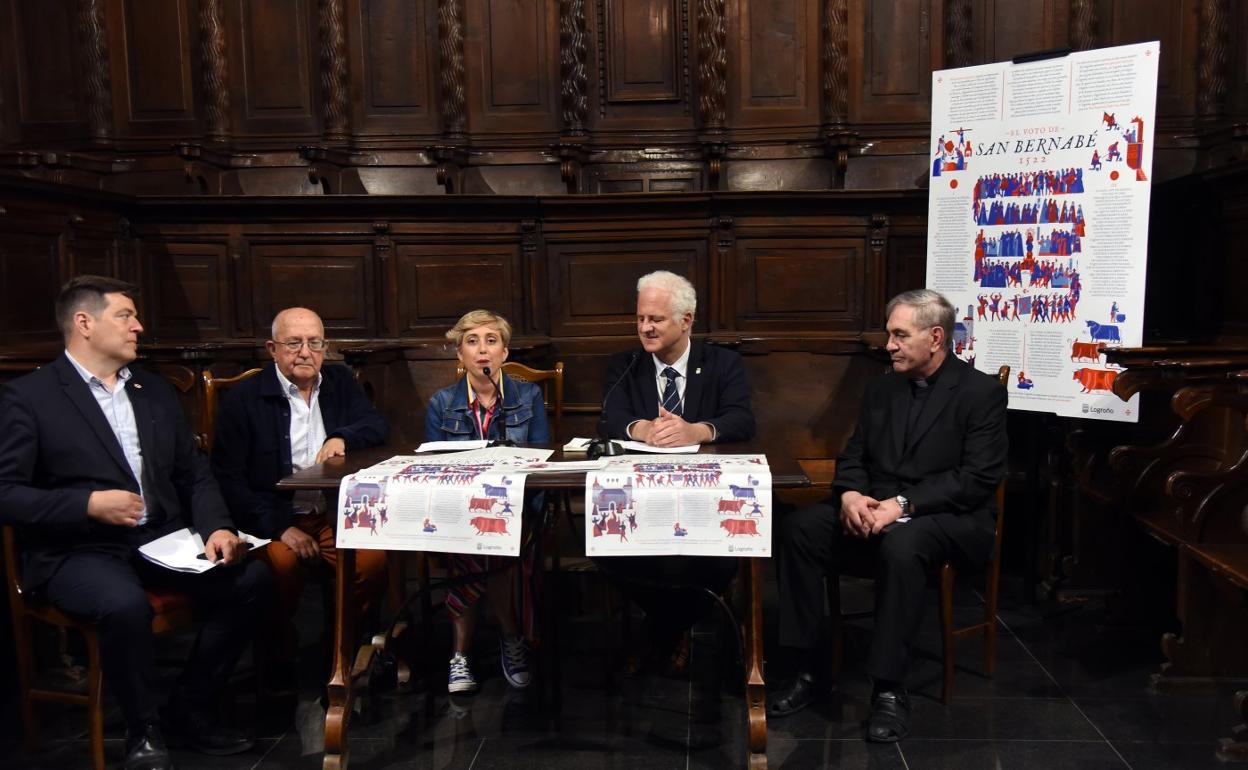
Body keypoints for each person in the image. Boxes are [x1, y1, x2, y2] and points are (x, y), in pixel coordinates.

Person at [0, 276, 271, 770]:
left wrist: (216, 527)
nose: (138, 326)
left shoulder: (153, 390)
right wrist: (86, 505)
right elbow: (6, 494)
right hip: (78, 549)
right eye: (125, 315)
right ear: (84, 323)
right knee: (124, 605)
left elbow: (194, 473)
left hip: (159, 541)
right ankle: (143, 732)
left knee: (250, 576)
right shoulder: (30, 396)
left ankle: (188, 708)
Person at [768, 289, 1007, 743]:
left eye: (900, 335)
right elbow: (854, 453)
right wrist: (852, 495)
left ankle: (889, 688)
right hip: (876, 507)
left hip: (950, 518)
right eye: (889, 334)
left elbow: (975, 479)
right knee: (799, 529)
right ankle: (806, 669)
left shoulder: (981, 394)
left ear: (936, 337)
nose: (889, 344)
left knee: (903, 544)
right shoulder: (882, 388)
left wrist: (904, 505)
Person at [210, 307, 390, 680]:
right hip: (273, 518)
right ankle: (282, 659)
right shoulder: (244, 399)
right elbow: (228, 481)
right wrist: (280, 527)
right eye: (294, 343)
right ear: (272, 349)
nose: (305, 352)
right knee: (280, 568)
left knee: (371, 563)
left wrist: (342, 436)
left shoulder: (339, 381)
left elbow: (376, 425)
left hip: (334, 514)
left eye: (314, 343)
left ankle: (340, 648)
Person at [594, 270, 756, 675]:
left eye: (656, 319)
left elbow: (742, 420)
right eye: (640, 319)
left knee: (718, 559)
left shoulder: (723, 363)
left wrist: (695, 431)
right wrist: (642, 429)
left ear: (686, 321)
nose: (645, 328)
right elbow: (610, 417)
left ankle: (665, 630)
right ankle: (674, 625)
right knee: (604, 547)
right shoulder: (626, 365)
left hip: (706, 499)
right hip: (642, 498)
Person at [425, 309, 549, 693]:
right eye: (472, 342)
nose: (482, 351)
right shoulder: (441, 404)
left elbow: (544, 460)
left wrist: (531, 515)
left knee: (498, 537)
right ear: (459, 355)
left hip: (517, 510)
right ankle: (510, 637)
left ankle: (460, 653)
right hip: (459, 512)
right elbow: (434, 470)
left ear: (504, 353)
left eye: (491, 341)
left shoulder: (528, 396)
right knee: (479, 539)